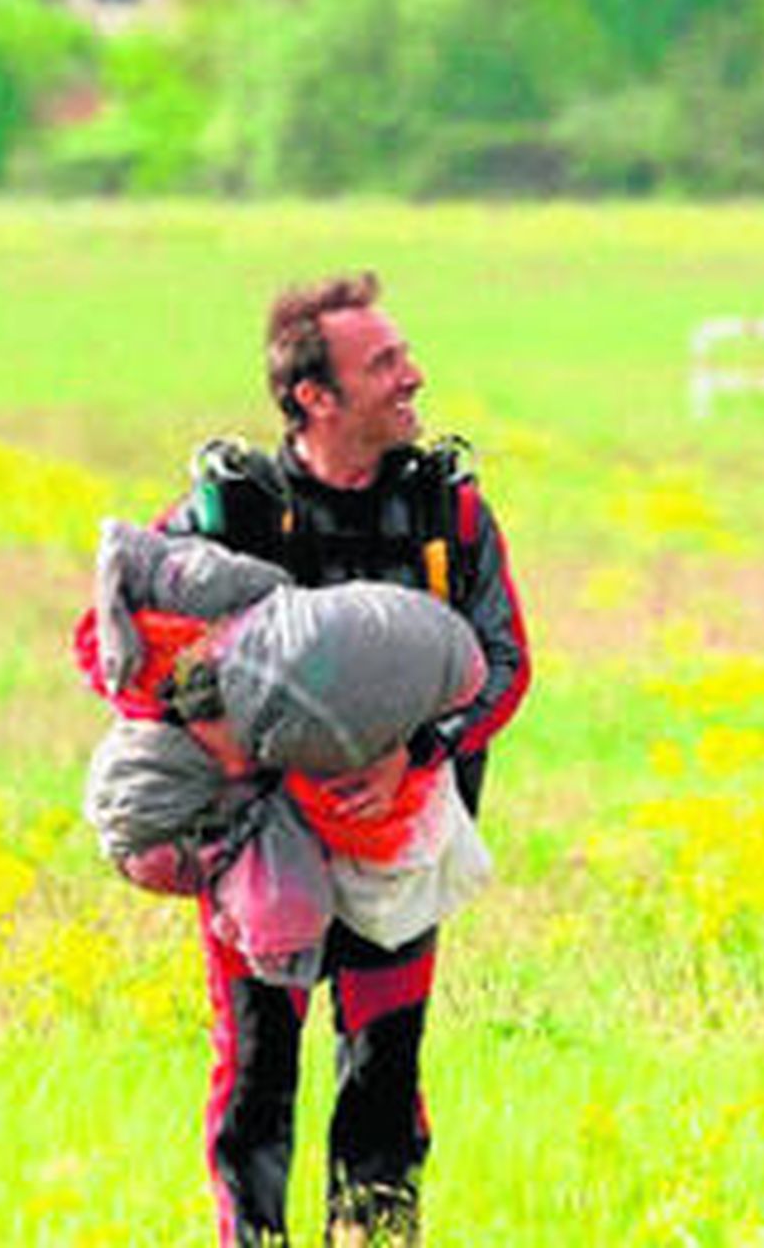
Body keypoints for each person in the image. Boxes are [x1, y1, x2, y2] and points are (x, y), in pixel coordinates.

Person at [163, 271, 531, 1246]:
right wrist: (249, 748)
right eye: (385, 365)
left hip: (394, 841)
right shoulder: (226, 513)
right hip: (263, 846)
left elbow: (505, 664)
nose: (414, 376)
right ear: (314, 398)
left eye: (404, 355)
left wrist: (413, 756)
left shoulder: (447, 512)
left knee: (383, 1076)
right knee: (257, 1080)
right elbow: (133, 646)